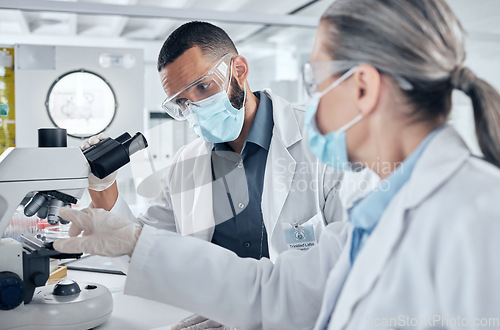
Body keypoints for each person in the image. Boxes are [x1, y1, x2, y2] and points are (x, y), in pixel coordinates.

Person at [55, 0, 500, 329]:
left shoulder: (480, 216)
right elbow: (272, 291)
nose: (312, 100)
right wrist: (132, 241)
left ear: (362, 88)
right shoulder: (381, 212)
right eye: (180, 104)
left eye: (317, 81)